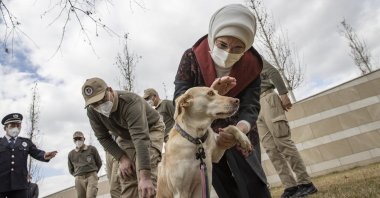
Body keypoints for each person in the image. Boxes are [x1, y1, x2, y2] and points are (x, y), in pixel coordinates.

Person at [173, 4, 271, 198]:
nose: (228, 53)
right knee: (222, 184)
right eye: (223, 45)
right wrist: (211, 92)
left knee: (253, 183)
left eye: (237, 48)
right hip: (203, 135)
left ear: (247, 47)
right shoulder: (192, 57)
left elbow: (251, 106)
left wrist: (240, 131)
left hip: (240, 131)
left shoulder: (252, 66)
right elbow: (180, 95)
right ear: (213, 37)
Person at [81, 77, 165, 198]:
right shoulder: (92, 112)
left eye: (102, 99)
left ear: (109, 90)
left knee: (147, 170)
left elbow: (141, 138)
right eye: (94, 104)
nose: (100, 105)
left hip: (151, 128)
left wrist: (145, 177)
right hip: (125, 135)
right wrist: (122, 158)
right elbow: (103, 137)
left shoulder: (130, 101)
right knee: (126, 174)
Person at [256, 60, 318, 198]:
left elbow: (272, 71)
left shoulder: (250, 54)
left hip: (267, 98)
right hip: (255, 107)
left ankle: (306, 183)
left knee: (283, 142)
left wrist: (283, 93)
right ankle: (290, 186)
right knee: (271, 149)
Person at [0, 113, 57, 198]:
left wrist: (44, 155)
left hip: (20, 186)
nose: (15, 128)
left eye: (18, 125)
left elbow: (37, 153)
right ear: (5, 128)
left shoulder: (26, 142)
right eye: (12, 125)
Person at [68, 131, 102, 198]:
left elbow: (99, 163)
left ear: (84, 139)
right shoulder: (71, 154)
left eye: (79, 138)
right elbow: (71, 169)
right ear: (73, 140)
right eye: (75, 139)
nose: (78, 140)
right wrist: (78, 175)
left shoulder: (92, 149)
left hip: (91, 176)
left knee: (90, 196)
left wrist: (94, 173)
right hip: (79, 179)